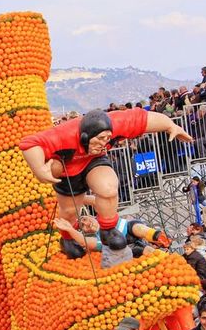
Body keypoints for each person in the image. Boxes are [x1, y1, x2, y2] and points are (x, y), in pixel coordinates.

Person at [19, 108, 192, 258]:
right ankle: (67, 239)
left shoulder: (117, 123)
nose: (104, 143)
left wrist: (171, 126)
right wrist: (39, 170)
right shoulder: (64, 135)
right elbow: (29, 143)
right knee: (70, 210)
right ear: (86, 136)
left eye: (107, 139)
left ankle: (108, 230)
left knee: (108, 187)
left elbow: (144, 119)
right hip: (67, 167)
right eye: (100, 139)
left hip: (94, 161)